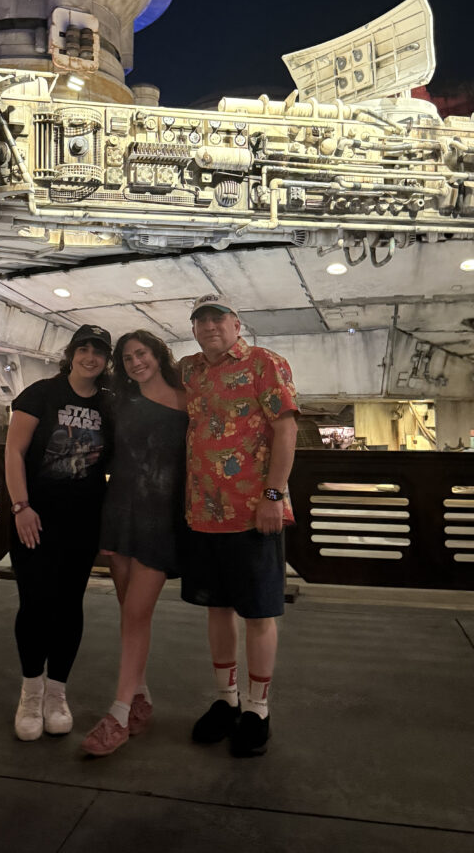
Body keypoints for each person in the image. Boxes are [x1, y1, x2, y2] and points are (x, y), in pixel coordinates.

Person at [180, 294, 299, 758]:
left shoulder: (263, 363)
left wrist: (273, 495)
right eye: (200, 320)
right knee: (216, 609)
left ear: (236, 323)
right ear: (192, 329)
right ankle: (226, 700)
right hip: (203, 514)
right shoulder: (190, 370)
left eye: (217, 318)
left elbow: (285, 429)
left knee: (259, 613)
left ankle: (258, 708)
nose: (209, 326)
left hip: (255, 513)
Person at [4, 324, 112, 742]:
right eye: (84, 349)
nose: (91, 357)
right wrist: (21, 506)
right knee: (34, 603)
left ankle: (57, 693)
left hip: (82, 520)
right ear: (71, 354)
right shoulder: (40, 394)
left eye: (99, 352)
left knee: (69, 605)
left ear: (106, 360)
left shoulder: (109, 404)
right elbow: (13, 450)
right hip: (35, 516)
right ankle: (30, 692)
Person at [81, 331, 187, 757]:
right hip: (120, 511)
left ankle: (119, 712)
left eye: (141, 354)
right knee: (129, 613)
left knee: (138, 613)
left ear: (158, 354)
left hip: (161, 518)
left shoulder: (187, 399)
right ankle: (140, 698)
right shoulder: (117, 401)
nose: (135, 362)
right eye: (127, 359)